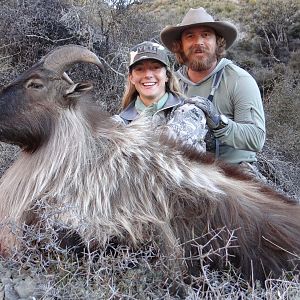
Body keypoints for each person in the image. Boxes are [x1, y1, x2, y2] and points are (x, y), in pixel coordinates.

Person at [160, 7, 266, 166]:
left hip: (235, 173)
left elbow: (256, 139)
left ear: (218, 42)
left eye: (206, 35)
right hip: (186, 171)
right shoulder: (171, 83)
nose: (198, 42)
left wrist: (218, 121)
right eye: (190, 36)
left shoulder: (239, 80)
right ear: (180, 45)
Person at [114, 41, 208, 153]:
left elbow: (168, 148)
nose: (148, 75)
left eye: (155, 67)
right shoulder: (118, 123)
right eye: (139, 69)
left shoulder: (190, 111)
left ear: (167, 75)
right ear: (131, 78)